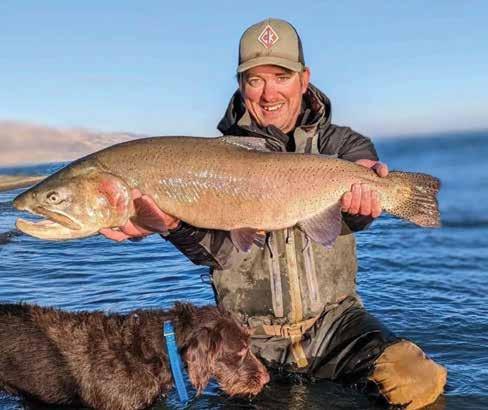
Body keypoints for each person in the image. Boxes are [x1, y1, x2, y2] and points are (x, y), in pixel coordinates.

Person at [101, 18, 446, 409]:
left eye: (281, 77)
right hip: (247, 340)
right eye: (255, 80)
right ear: (240, 84)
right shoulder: (208, 162)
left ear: (304, 79)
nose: (269, 94)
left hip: (337, 325)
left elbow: (353, 217)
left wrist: (366, 204)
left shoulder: (343, 144)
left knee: (418, 380)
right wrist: (172, 226)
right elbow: (220, 254)